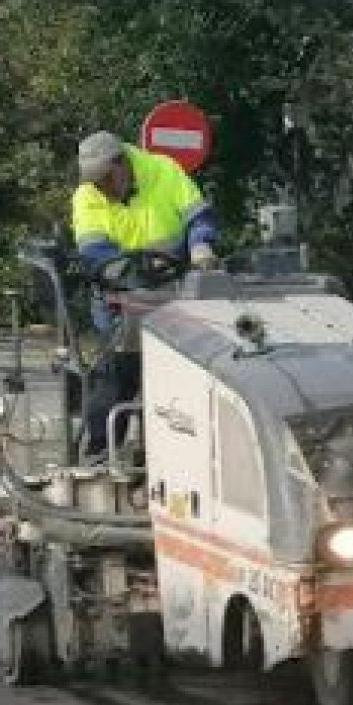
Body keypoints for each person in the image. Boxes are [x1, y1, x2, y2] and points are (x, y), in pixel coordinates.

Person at [71, 130, 219, 459]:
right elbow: (94, 252)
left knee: (188, 372)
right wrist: (132, 275)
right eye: (95, 183)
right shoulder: (87, 196)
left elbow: (198, 216)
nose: (101, 188)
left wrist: (201, 244)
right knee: (115, 371)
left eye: (106, 180)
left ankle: (180, 448)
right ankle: (101, 452)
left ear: (121, 164)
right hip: (119, 297)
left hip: (174, 292)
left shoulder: (163, 170)